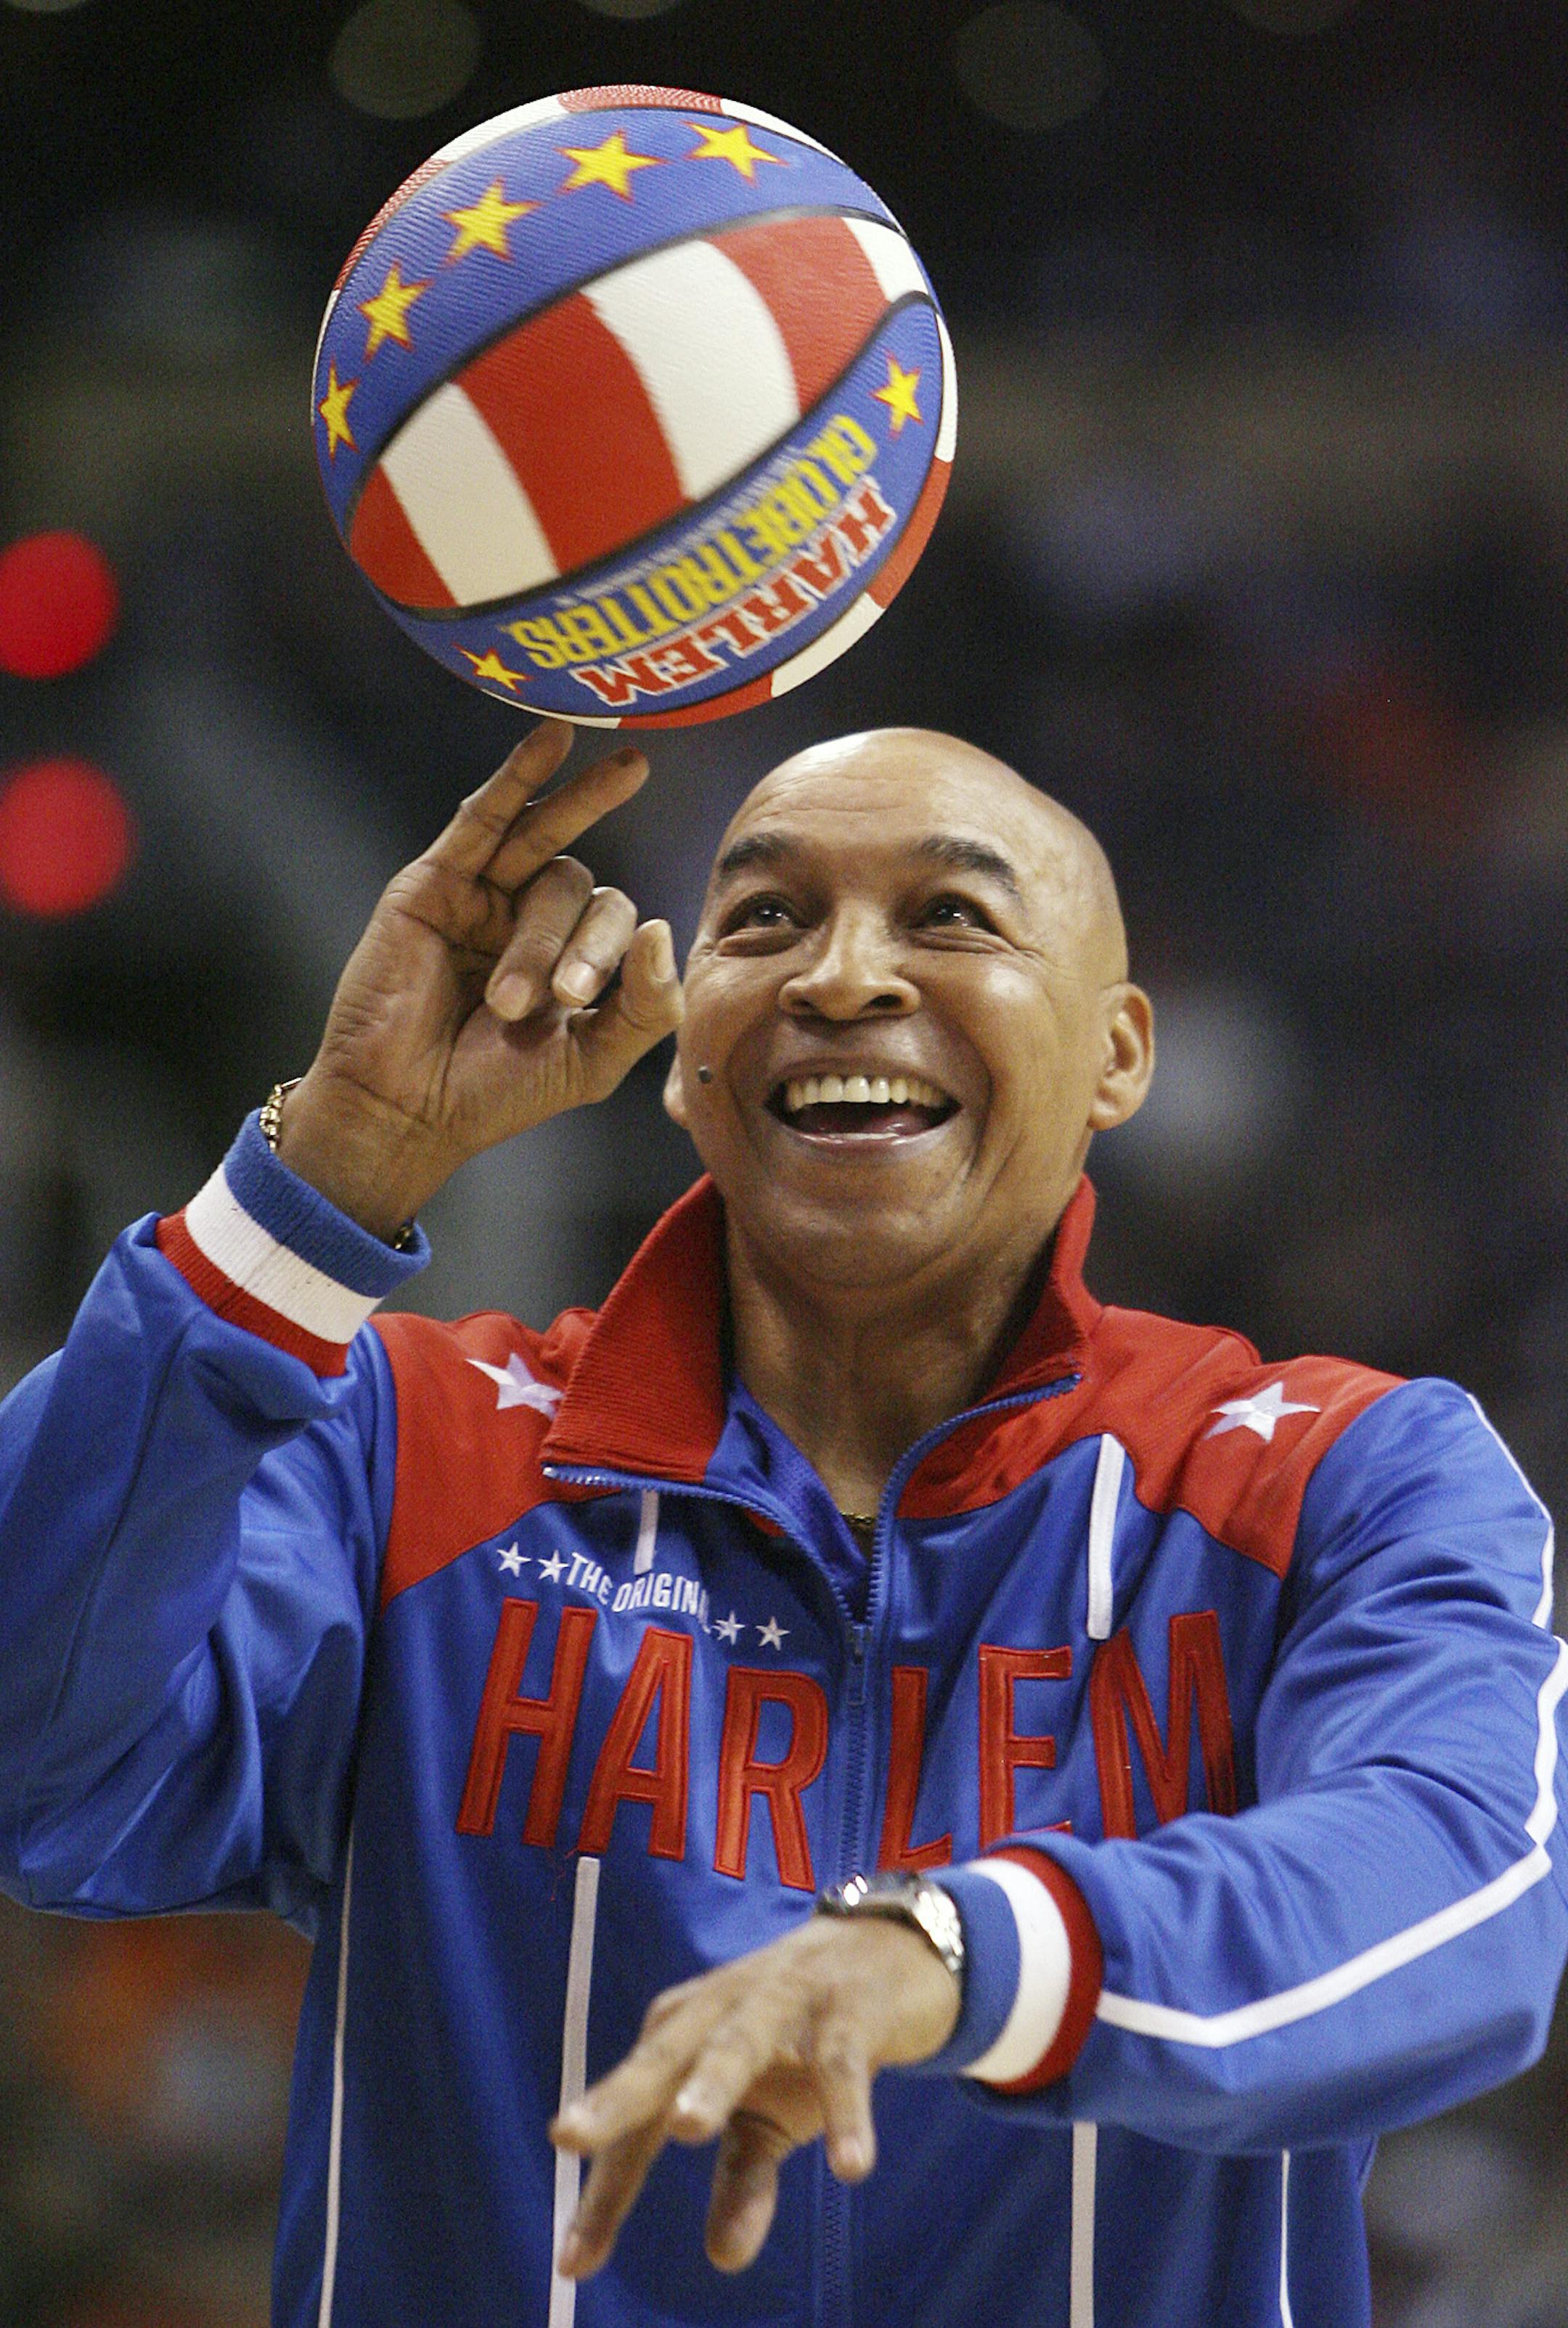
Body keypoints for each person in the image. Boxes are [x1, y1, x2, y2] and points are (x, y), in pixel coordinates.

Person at [0, 718, 1563, 2328]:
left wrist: (945, 1955)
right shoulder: (415, 1449)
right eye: (764, 919)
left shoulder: (1342, 1475)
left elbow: (1465, 1903)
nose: (840, 977)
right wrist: (319, 1180)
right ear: (685, 1059)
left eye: (949, 916)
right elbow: (35, 1760)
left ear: (1119, 1054)